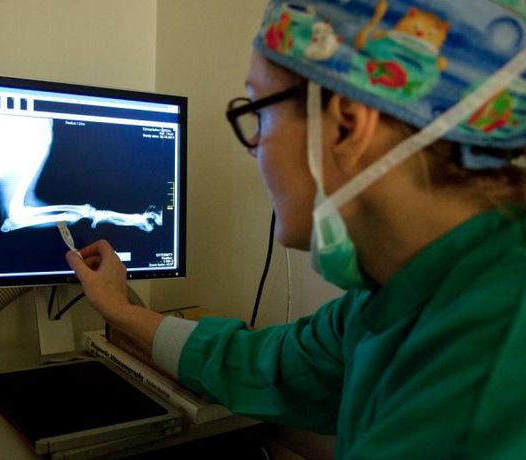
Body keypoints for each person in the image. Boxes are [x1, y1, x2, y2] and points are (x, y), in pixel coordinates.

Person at [66, 1, 526, 458]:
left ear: (347, 125)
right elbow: (273, 367)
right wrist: (120, 309)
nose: (253, 146)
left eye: (260, 112)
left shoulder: (481, 394)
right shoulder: (399, 294)